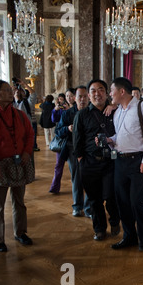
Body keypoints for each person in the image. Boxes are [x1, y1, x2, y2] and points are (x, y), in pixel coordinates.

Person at [107, 77, 143, 251]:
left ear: (122, 91)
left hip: (137, 161)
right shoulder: (118, 111)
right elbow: (119, 135)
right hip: (120, 161)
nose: (109, 94)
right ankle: (129, 236)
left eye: (111, 90)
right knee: (122, 202)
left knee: (136, 202)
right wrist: (109, 140)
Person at [73, 79, 121, 241]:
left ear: (106, 93)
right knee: (95, 200)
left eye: (100, 89)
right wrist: (82, 161)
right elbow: (77, 140)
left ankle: (115, 220)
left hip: (111, 162)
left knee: (111, 196)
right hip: (90, 162)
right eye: (93, 90)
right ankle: (99, 229)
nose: (97, 93)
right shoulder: (82, 115)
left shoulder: (116, 112)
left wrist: (115, 105)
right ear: (88, 95)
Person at [0, 80, 35, 252]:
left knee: (19, 201)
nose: (11, 92)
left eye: (10, 89)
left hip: (19, 163)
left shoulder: (19, 114)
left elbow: (30, 134)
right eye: (6, 90)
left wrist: (27, 152)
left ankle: (21, 232)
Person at [55, 86, 91, 217]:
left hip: (89, 150)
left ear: (89, 98)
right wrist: (68, 129)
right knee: (77, 178)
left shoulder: (92, 112)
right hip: (72, 149)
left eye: (85, 97)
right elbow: (58, 131)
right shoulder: (68, 113)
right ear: (75, 98)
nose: (82, 99)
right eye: (79, 97)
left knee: (89, 178)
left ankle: (88, 208)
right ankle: (77, 206)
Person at [49, 93, 71, 194]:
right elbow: (54, 120)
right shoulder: (60, 109)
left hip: (72, 142)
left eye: (71, 96)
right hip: (62, 141)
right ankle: (54, 187)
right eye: (66, 97)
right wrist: (55, 110)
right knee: (59, 165)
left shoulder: (76, 109)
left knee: (75, 168)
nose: (68, 98)